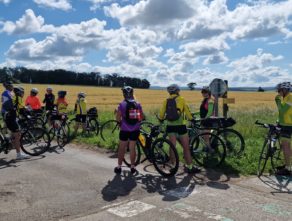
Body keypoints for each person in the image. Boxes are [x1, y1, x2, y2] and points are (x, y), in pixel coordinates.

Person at [159, 84, 200, 174]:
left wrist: (161, 119)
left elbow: (161, 114)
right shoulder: (181, 99)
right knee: (186, 148)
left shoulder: (166, 101)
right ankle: (190, 166)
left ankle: (173, 166)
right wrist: (192, 120)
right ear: (178, 91)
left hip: (170, 126)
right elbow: (187, 112)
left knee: (172, 146)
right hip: (181, 126)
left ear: (169, 92)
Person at [114, 86, 143, 174]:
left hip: (124, 130)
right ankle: (132, 167)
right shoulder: (137, 104)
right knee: (132, 148)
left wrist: (119, 123)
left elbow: (118, 117)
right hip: (135, 130)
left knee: (122, 148)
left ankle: (119, 167)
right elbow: (141, 117)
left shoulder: (122, 104)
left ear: (124, 94)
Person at [1, 82, 29, 159]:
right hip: (9, 116)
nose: (12, 87)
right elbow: (10, 106)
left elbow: (13, 106)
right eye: (11, 86)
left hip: (9, 116)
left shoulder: (7, 93)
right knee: (17, 135)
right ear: (9, 86)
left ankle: (9, 143)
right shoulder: (9, 94)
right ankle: (18, 154)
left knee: (17, 133)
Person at [275, 82, 292, 176]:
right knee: (286, 146)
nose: (278, 92)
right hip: (284, 124)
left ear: (285, 90)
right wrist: (278, 121)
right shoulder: (285, 98)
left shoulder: (290, 98)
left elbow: (282, 111)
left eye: (279, 90)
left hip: (288, 125)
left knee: (286, 147)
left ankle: (288, 169)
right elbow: (282, 115)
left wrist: (277, 101)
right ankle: (287, 165)